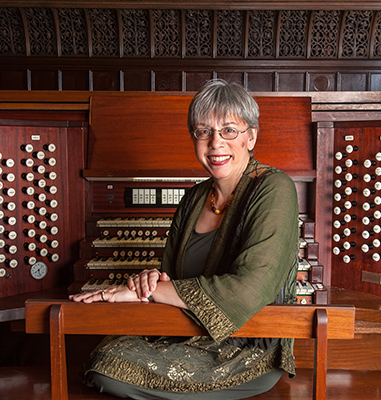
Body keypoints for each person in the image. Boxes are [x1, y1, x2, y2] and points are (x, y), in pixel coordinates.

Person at [70, 79, 299, 400]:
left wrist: (147, 291)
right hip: (185, 331)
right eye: (204, 131)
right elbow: (171, 280)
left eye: (229, 130)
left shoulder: (275, 188)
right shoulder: (193, 199)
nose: (216, 143)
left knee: (111, 371)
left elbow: (250, 289)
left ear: (251, 137)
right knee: (102, 356)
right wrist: (148, 284)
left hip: (247, 345)